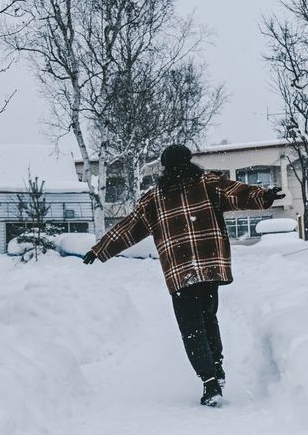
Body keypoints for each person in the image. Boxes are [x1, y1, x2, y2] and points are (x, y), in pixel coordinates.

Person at [83, 144, 284, 406]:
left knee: (192, 327)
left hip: (181, 272)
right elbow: (238, 193)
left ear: (164, 168)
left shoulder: (155, 198)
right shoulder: (208, 183)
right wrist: (264, 195)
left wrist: (100, 249)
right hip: (210, 267)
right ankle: (217, 369)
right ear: (189, 161)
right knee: (208, 318)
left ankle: (210, 381)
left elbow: (129, 228)